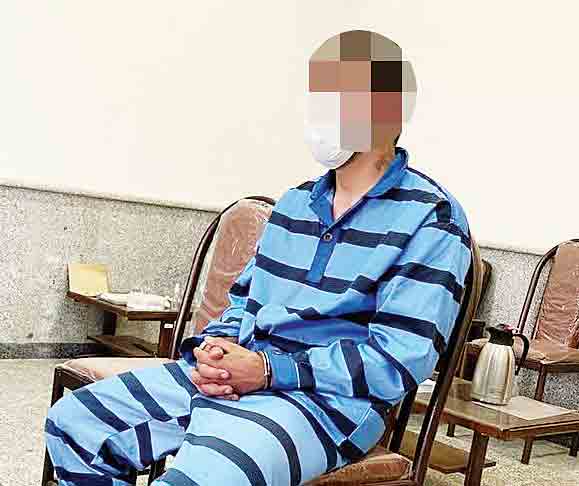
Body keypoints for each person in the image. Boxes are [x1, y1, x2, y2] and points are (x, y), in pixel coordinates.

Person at [44, 30, 471, 486]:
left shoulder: (432, 218)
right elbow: (244, 302)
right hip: (241, 374)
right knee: (75, 424)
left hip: (324, 405)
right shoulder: (294, 204)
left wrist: (268, 371)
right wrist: (214, 350)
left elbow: (399, 360)